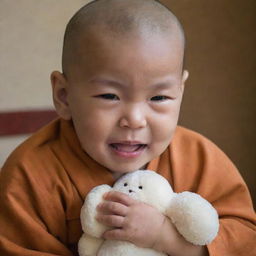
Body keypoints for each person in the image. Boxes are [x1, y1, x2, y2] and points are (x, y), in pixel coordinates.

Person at [0, 0, 255, 255]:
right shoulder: (29, 176)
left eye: (158, 98)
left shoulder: (200, 158)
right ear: (64, 96)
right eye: (109, 96)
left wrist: (165, 238)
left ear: (180, 91)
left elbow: (245, 238)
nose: (134, 119)